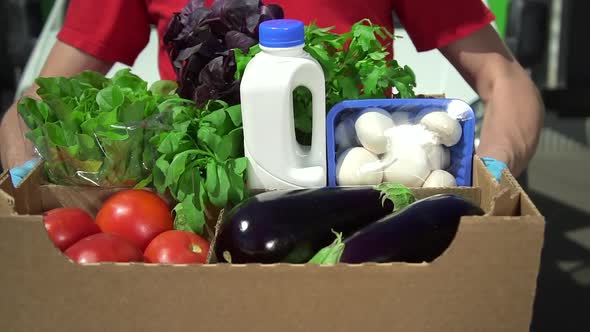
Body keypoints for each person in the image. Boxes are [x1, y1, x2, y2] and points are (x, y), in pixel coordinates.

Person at [0, 0, 544, 186]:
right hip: (200, 192)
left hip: (360, 180)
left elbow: (506, 81)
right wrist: (25, 179)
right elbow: (38, 102)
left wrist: (493, 169)